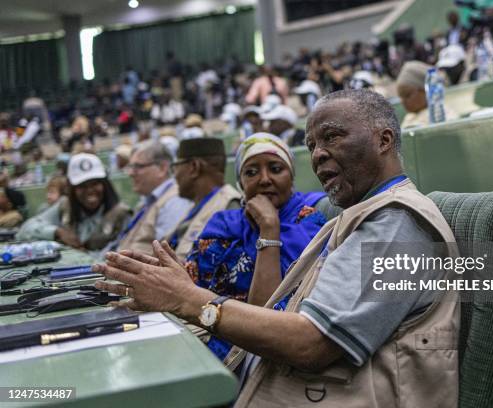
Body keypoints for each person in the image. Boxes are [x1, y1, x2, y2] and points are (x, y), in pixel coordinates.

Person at [94, 90, 459, 407]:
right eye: (313, 145)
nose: (318, 155)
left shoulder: (395, 223)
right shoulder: (355, 217)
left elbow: (310, 345)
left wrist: (189, 301)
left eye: (332, 137)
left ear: (383, 140)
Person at [182, 133, 329, 360]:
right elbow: (189, 288)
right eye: (251, 172)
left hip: (255, 352)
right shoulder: (223, 223)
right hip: (201, 330)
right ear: (241, 183)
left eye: (275, 169)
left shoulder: (309, 222)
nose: (264, 179)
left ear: (291, 177)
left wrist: (269, 228)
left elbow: (266, 316)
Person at [17, 154, 130, 250]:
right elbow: (24, 231)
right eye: (82, 186)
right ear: (72, 189)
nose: (90, 191)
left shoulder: (121, 213)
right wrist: (57, 232)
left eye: (95, 183)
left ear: (105, 185)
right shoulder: (65, 206)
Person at [165, 138, 241, 260]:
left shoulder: (230, 208)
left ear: (194, 167)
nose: (175, 175)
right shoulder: (198, 205)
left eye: (176, 167)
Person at [112, 141, 192, 255]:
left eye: (137, 167)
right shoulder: (149, 200)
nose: (130, 173)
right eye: (130, 166)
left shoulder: (175, 201)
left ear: (162, 168)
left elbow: (165, 255)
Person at [396, 61, 458, 128]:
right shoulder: (410, 117)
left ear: (425, 91)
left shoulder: (444, 117)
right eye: (400, 97)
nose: (402, 101)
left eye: (407, 95)